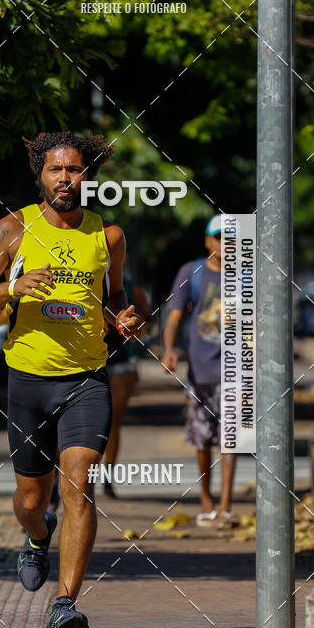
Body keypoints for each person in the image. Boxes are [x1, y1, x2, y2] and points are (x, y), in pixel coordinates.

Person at [0, 131, 142, 628]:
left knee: (79, 482)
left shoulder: (108, 237)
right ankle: (37, 537)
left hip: (87, 377)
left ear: (89, 175)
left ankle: (65, 604)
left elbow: (113, 298)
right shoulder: (13, 229)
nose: (66, 178)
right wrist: (13, 286)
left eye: (75, 170)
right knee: (30, 499)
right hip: (29, 380)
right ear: (40, 175)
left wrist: (121, 319)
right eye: (56, 170)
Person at [161, 215, 237, 527]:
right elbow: (174, 317)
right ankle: (206, 498)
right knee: (202, 441)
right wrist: (169, 350)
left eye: (231, 238)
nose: (224, 243)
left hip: (234, 371)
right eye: (219, 237)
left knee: (231, 439)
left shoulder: (245, 276)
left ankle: (226, 505)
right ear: (208, 241)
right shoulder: (191, 273)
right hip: (199, 371)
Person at [102, 266, 151, 498]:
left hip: (121, 361)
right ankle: (60, 480)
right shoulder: (76, 273)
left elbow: (146, 318)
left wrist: (137, 323)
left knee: (112, 420)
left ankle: (107, 480)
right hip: (85, 360)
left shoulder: (130, 285)